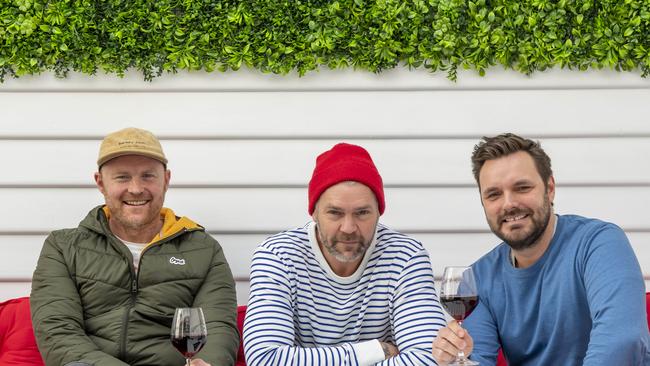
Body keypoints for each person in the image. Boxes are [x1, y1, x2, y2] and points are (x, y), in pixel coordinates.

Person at [432, 133, 650, 365]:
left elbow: (621, 342)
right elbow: (479, 359)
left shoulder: (599, 243)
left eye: (522, 187)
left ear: (550, 188)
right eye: (494, 194)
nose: (509, 203)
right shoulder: (477, 279)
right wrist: (454, 359)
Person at [30, 127, 239, 366]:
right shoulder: (63, 247)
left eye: (148, 176)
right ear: (100, 183)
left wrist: (208, 363)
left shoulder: (204, 249)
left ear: (167, 180)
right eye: (122, 177)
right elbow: (59, 332)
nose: (136, 188)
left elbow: (217, 328)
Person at [243, 142, 445, 365]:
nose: (348, 227)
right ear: (314, 212)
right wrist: (375, 351)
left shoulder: (406, 256)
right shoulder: (278, 256)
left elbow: (428, 358)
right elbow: (265, 359)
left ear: (379, 211)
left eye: (362, 213)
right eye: (335, 213)